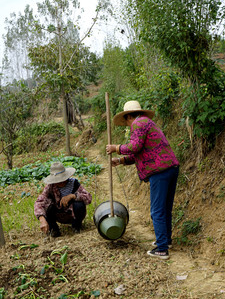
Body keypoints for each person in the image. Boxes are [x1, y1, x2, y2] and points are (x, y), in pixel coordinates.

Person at [106, 100, 179, 260]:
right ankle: (166, 241)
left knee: (157, 211)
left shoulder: (138, 124)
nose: (126, 125)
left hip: (159, 171)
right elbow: (139, 152)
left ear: (128, 117)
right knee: (165, 209)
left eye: (125, 121)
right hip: (170, 168)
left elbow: (134, 147)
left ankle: (161, 249)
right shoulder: (147, 123)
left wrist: (116, 148)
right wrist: (120, 160)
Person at [34, 162, 92, 237]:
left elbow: (88, 198)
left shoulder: (74, 183)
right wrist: (42, 219)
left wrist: (73, 196)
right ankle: (54, 230)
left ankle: (76, 227)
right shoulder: (50, 187)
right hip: (58, 214)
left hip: (73, 213)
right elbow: (39, 202)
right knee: (48, 206)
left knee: (79, 205)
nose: (60, 182)